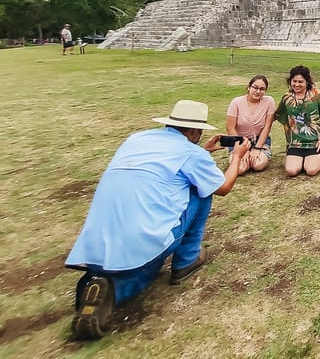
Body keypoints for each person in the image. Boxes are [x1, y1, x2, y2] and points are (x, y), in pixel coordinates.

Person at [65, 100, 249, 340]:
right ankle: (185, 261)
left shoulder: (136, 139)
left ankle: (96, 282)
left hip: (95, 241)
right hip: (143, 239)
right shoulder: (191, 153)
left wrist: (203, 151)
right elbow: (222, 187)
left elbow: (165, 167)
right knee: (203, 191)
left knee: (133, 261)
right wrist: (237, 157)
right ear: (194, 131)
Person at [275, 65, 320, 177]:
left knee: (311, 170)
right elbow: (277, 114)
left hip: (315, 141)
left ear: (307, 82)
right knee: (291, 171)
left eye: (301, 81)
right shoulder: (287, 98)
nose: (296, 84)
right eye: (294, 81)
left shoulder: (316, 95)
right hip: (296, 144)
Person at [225, 75, 275, 174]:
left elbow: (267, 127)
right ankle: (236, 155)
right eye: (255, 87)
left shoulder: (269, 101)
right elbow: (230, 128)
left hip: (259, 140)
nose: (258, 91)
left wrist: (257, 148)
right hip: (238, 140)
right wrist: (243, 149)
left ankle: (264, 153)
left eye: (262, 89)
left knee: (257, 165)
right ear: (249, 87)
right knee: (240, 169)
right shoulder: (236, 102)